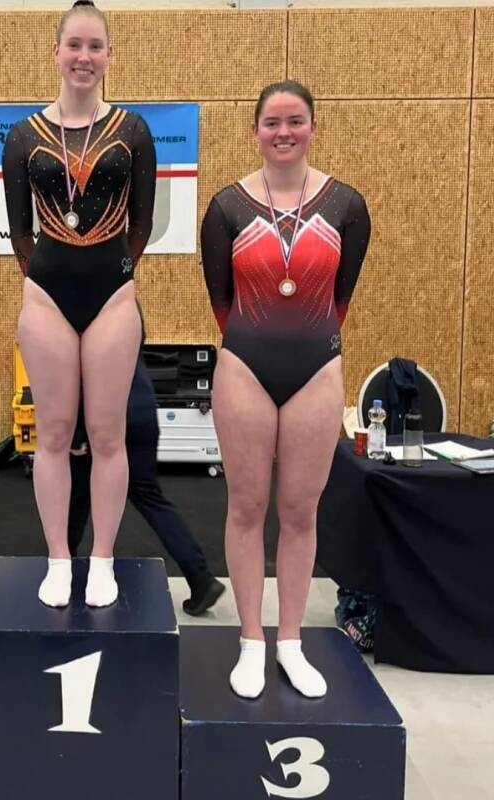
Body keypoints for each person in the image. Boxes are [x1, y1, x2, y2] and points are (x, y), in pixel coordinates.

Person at [200, 81, 370, 698]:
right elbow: (221, 301)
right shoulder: (226, 207)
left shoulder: (346, 205)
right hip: (245, 365)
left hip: (317, 369)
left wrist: (306, 342)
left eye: (295, 121)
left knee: (300, 512)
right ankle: (251, 639)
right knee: (246, 507)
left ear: (313, 127)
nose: (284, 132)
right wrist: (261, 342)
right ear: (255, 131)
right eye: (272, 122)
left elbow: (340, 298)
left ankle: (291, 641)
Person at [2, 0, 156, 608]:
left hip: (113, 295)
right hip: (46, 295)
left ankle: (103, 558)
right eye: (75, 45)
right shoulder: (22, 136)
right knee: (54, 432)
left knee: (108, 434)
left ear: (109, 55)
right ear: (56, 53)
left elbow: (141, 225)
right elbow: (20, 233)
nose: (84, 57)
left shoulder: (133, 131)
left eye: (95, 46)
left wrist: (116, 275)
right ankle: (59, 558)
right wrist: (48, 277)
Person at [67, 354, 225, 616]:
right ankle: (201, 579)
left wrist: (77, 434)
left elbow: (83, 377)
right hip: (142, 412)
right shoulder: (127, 330)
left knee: (78, 496)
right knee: (150, 496)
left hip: (105, 419)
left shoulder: (83, 334)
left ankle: (64, 568)